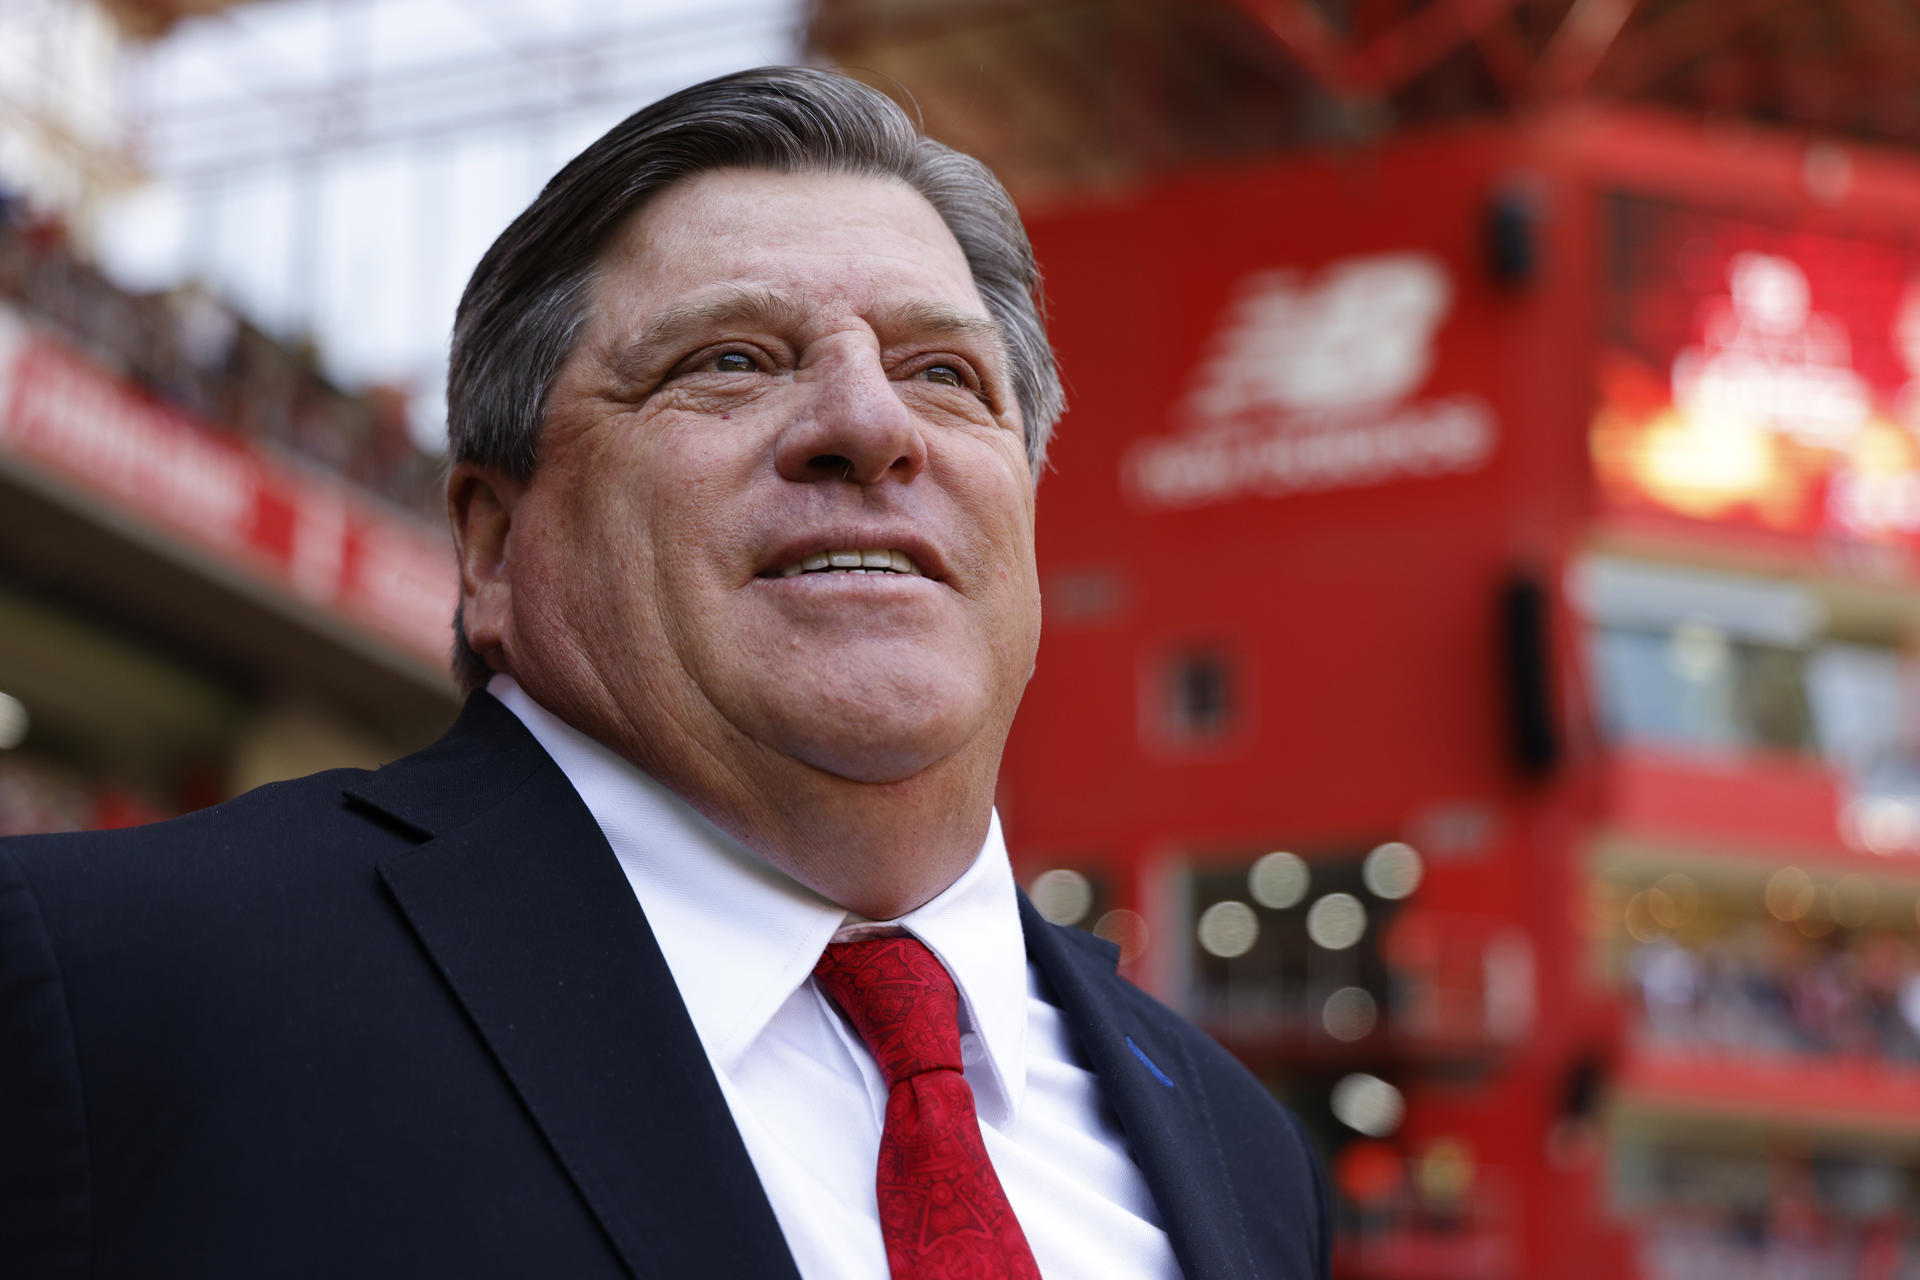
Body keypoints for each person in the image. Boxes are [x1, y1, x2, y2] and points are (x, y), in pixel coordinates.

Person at [0, 67, 1329, 1279]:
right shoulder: (101, 995)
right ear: (494, 541)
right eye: (732, 361)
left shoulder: (1242, 1153)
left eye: (943, 374)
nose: (871, 425)